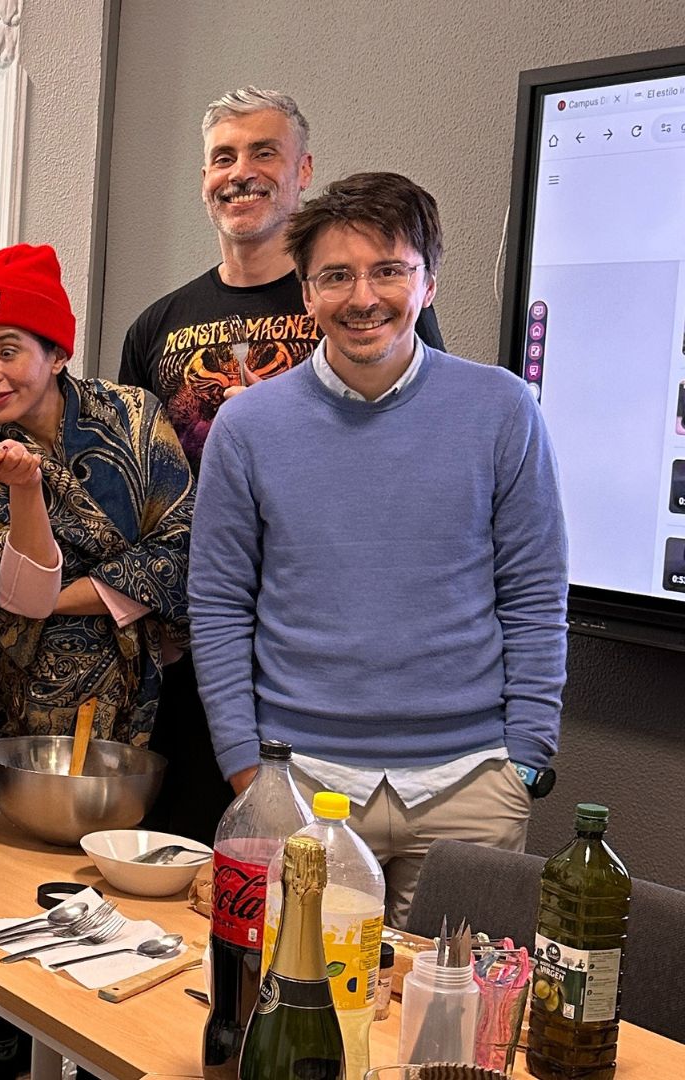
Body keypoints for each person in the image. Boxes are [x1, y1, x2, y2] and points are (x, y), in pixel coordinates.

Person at [188, 171, 567, 927]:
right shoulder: (248, 428)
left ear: (427, 284)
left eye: (389, 269)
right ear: (306, 293)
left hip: (470, 789)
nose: (363, 297)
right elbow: (219, 605)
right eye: (336, 275)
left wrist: (522, 759)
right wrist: (242, 769)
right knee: (296, 1029)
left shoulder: (501, 409)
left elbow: (534, 590)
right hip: (300, 790)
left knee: (453, 1037)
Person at [116, 86, 446, 845]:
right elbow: (130, 485)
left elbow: (421, 440)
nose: (241, 172)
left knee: (323, 874)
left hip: (328, 639)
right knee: (204, 862)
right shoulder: (155, 326)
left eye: (264, 152)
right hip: (197, 644)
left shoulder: (361, 301)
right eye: (222, 157)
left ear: (304, 169)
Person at [0, 244, 193, 1077]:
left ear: (56, 350)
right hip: (11, 712)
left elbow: (185, 550)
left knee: (120, 906)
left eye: (10, 349)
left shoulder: (134, 418)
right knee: (1, 903)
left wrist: (75, 594)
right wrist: (29, 496)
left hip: (141, 702)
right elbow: (18, 591)